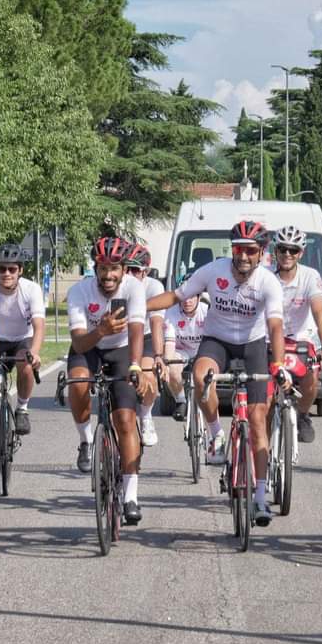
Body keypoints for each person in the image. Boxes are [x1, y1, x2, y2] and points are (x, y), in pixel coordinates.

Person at [148, 220, 289, 526]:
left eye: (250, 250)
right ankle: (216, 435)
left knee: (257, 422)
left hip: (253, 345)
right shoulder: (213, 271)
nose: (243, 256)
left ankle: (261, 498)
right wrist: (139, 307)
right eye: (238, 249)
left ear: (262, 253)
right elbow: (175, 296)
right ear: (232, 250)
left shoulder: (268, 282)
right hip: (217, 341)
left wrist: (277, 365)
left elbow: (275, 326)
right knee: (200, 378)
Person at [66, 236, 152, 524]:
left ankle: (130, 496)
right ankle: (86, 440)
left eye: (114, 267)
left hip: (122, 350)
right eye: (103, 267)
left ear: (124, 268)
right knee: (77, 382)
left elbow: (138, 330)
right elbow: (78, 344)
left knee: (126, 419)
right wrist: (101, 331)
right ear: (95, 267)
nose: (108, 275)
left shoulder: (134, 288)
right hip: (88, 347)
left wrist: (137, 366)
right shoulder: (80, 291)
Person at [271, 225, 322, 443]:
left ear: (301, 253)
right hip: (271, 338)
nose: (287, 254)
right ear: (275, 251)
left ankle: (303, 415)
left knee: (311, 380)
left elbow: (318, 312)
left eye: (293, 250)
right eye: (283, 249)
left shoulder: (310, 276)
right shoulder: (265, 276)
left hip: (301, 339)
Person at [0, 243, 44, 437]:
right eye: (2, 268)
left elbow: (39, 325)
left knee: (25, 363)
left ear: (20, 271)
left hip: (22, 339)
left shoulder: (31, 289)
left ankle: (22, 408)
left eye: (12, 269)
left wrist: (35, 352)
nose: (7, 273)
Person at [123, 243, 165, 447]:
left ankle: (146, 417)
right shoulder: (117, 283)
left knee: (148, 376)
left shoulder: (154, 287)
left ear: (146, 271)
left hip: (146, 336)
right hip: (121, 338)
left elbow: (157, 323)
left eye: (136, 270)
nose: (130, 274)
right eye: (127, 269)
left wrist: (158, 355)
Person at [161, 278, 208, 421]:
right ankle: (181, 400)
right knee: (171, 366)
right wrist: (167, 363)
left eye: (192, 296)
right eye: (184, 297)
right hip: (182, 351)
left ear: (199, 297)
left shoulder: (206, 312)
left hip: (202, 349)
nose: (187, 301)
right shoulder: (171, 313)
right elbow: (169, 346)